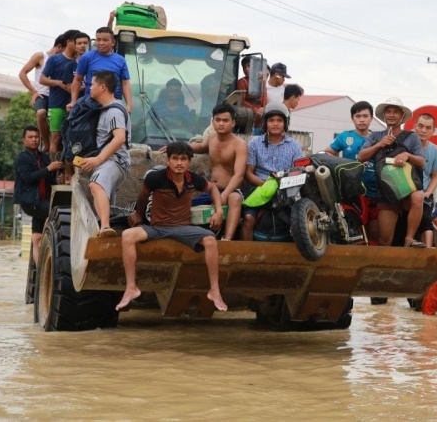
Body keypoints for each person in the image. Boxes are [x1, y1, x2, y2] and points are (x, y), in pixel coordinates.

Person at [116, 141, 227, 312]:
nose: (179, 163)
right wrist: (138, 214)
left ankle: (214, 290)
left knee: (211, 240)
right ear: (168, 161)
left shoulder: (193, 180)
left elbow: (213, 189)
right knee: (127, 236)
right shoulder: (155, 178)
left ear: (189, 162)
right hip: (157, 228)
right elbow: (143, 198)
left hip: (183, 228)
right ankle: (131, 288)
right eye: (175, 158)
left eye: (183, 159)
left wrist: (218, 211)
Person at [357, 96, 426, 248]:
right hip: (385, 193)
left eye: (396, 111)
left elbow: (422, 162)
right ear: (384, 115)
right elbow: (360, 157)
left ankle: (409, 239)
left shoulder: (412, 137)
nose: (392, 114)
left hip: (406, 190)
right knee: (384, 241)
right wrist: (379, 145)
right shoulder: (375, 136)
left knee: (418, 196)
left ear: (402, 116)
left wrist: (407, 155)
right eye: (389, 111)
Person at [75, 70, 131, 237]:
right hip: (108, 162)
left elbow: (120, 138)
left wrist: (97, 159)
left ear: (103, 87)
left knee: (96, 184)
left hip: (116, 161)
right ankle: (105, 226)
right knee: (104, 197)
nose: (89, 87)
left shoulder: (114, 111)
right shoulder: (104, 109)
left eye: (92, 84)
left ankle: (105, 228)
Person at [241, 102, 303, 241]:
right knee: (248, 219)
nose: (275, 124)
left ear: (285, 123)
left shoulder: (294, 146)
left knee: (298, 221)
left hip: (285, 191)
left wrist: (281, 183)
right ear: (265, 123)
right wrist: (265, 185)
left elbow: (298, 172)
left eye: (279, 120)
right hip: (259, 189)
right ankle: (246, 257)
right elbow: (248, 173)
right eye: (271, 120)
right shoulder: (254, 143)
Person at [189, 103, 247, 241]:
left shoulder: (239, 144)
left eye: (225, 120)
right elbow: (200, 147)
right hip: (211, 191)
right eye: (218, 120)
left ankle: (227, 239)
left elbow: (239, 175)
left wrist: (225, 194)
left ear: (233, 123)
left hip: (230, 190)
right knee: (184, 204)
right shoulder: (211, 139)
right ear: (213, 121)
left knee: (235, 198)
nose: (221, 123)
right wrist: (177, 147)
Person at [325, 101, 378, 242]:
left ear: (371, 118)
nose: (361, 119)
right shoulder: (344, 137)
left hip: (375, 194)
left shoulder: (378, 138)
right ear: (352, 118)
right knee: (354, 234)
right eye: (358, 116)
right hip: (350, 194)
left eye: (365, 116)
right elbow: (327, 153)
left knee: (375, 236)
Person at [13, 126, 63, 265]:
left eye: (36, 137)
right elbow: (28, 178)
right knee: (56, 212)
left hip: (42, 200)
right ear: (24, 140)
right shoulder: (21, 158)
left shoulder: (44, 157)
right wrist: (48, 168)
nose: (34, 140)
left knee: (36, 238)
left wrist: (57, 179)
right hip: (31, 202)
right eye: (30, 137)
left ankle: (41, 269)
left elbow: (49, 179)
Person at [18, 33, 66, 152]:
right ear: (60, 47)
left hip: (56, 96)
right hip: (42, 94)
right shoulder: (41, 56)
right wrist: (33, 91)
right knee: (40, 112)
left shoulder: (65, 61)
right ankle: (46, 143)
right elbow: (22, 73)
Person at [70, 27, 133, 112]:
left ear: (113, 42)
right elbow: (77, 80)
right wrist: (73, 101)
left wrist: (129, 104)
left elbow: (125, 83)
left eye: (105, 40)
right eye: (98, 40)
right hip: (90, 105)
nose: (101, 43)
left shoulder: (120, 60)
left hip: (113, 105)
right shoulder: (87, 57)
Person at [40, 29, 80, 159]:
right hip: (56, 104)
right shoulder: (54, 59)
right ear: (69, 42)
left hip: (75, 107)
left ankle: (68, 172)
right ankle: (55, 170)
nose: (81, 45)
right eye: (77, 42)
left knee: (72, 140)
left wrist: (76, 88)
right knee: (56, 139)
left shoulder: (80, 61)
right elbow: (42, 79)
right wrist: (59, 83)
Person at [415, 113, 437, 247]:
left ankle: (428, 251)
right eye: (420, 126)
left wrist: (428, 193)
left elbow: (435, 176)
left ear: (433, 131)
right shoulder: (406, 144)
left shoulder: (435, 150)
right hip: (405, 191)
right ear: (415, 126)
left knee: (426, 220)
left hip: (424, 193)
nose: (423, 130)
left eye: (428, 128)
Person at [236, 55, 265, 130]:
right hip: (247, 117)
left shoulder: (261, 82)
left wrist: (262, 109)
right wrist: (254, 109)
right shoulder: (242, 82)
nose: (246, 69)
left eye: (249, 66)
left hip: (259, 120)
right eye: (244, 67)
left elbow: (264, 98)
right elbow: (241, 100)